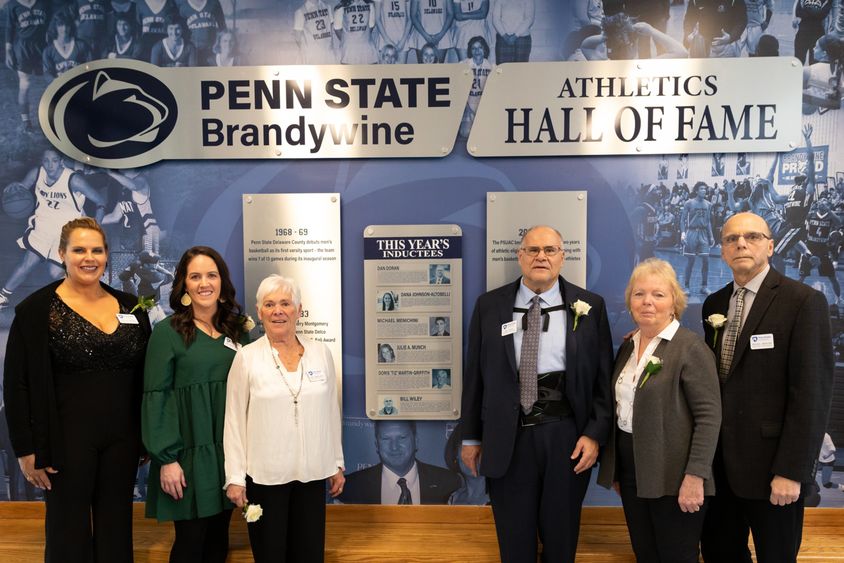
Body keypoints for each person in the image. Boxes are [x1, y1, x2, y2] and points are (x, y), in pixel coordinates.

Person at [461, 225, 613, 562]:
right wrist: (471, 437)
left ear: (562, 256)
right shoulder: (490, 305)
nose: (540, 256)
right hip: (507, 437)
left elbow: (603, 379)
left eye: (549, 250)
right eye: (532, 250)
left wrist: (594, 434)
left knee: (561, 537)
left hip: (567, 436)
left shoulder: (590, 306)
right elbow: (475, 375)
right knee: (515, 540)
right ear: (519, 256)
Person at [3, 217, 151, 562]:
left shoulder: (132, 306)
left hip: (123, 439)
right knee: (67, 531)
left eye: (97, 250)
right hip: (64, 441)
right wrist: (26, 450)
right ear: (61, 254)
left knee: (116, 529)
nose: (89, 258)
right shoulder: (35, 310)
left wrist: (146, 435)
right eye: (79, 249)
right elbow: (16, 384)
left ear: (106, 254)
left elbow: (146, 376)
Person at [700, 212, 834, 562]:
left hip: (774, 471)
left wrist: (792, 470)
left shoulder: (802, 302)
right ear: (723, 250)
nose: (741, 243)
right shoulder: (714, 304)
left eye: (752, 236)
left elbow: (812, 395)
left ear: (771, 246)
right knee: (719, 553)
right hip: (719, 470)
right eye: (731, 239)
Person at [597, 258, 721, 563]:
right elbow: (621, 408)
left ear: (674, 303)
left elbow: (709, 418)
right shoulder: (628, 346)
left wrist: (695, 478)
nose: (647, 302)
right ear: (630, 301)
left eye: (658, 294)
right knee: (646, 553)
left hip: (675, 476)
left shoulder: (690, 347)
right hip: (632, 470)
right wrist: (615, 467)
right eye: (639, 294)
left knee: (676, 556)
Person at [224, 274, 344, 563]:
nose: (278, 310)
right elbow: (234, 421)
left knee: (309, 554)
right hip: (265, 478)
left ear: (298, 310)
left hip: (312, 474)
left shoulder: (320, 352)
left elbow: (331, 412)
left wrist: (336, 463)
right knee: (270, 554)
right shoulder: (247, 357)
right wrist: (235, 478)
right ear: (259, 312)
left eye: (285, 303)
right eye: (270, 304)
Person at [142, 246, 250, 563]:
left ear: (222, 282)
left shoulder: (239, 330)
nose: (205, 283)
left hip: (228, 454)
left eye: (211, 275)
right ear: (184, 285)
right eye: (195, 276)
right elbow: (156, 396)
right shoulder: (167, 333)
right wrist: (167, 459)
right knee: (191, 543)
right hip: (186, 457)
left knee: (218, 540)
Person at [0, 149, 105, 309]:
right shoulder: (37, 173)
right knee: (27, 263)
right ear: (42, 161)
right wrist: (13, 188)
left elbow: (100, 201)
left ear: (61, 161)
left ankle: (79, 300)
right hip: (43, 225)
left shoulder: (74, 180)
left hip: (67, 231)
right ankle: (3, 297)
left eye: (54, 161)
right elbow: (20, 189)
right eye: (46, 161)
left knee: (54, 273)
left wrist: (96, 226)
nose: (50, 165)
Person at [338, 420, 460, 504]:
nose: (394, 447)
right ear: (376, 445)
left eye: (402, 438)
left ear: (416, 442)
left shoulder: (449, 483)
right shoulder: (351, 487)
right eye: (386, 439)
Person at [4, 0, 48, 132]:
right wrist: (8, 51)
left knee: (49, 82)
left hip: (43, 47)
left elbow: (52, 21)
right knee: (25, 84)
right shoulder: (12, 5)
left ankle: (51, 118)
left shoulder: (44, 3)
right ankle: (26, 121)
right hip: (23, 48)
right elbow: (9, 28)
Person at [681, 182, 715, 295]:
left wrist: (711, 236)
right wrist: (683, 234)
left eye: (705, 189)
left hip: (703, 233)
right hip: (691, 232)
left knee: (706, 260)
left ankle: (704, 287)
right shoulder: (689, 203)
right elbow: (682, 220)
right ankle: (686, 287)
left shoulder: (708, 204)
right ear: (696, 191)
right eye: (701, 189)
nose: (704, 191)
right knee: (691, 260)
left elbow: (708, 221)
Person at [444, 423, 489, 505]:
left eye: (480, 446)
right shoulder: (453, 499)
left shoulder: (501, 499)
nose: (473, 454)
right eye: (467, 447)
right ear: (455, 454)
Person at [42, 11, 92, 78]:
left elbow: (90, 65)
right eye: (60, 25)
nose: (64, 28)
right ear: (55, 27)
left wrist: (84, 75)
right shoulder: (48, 51)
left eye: (67, 25)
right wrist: (57, 83)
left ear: (71, 26)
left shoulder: (82, 45)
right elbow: (48, 73)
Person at [177, 0, 226, 65]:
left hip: (211, 50)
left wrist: (219, 45)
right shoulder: (183, 6)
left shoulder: (214, 3)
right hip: (193, 52)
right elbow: (180, 33)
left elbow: (223, 28)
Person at [333, 0, 379, 64]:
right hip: (349, 49)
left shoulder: (370, 4)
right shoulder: (340, 7)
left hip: (366, 48)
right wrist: (349, 39)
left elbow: (371, 26)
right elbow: (337, 28)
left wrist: (361, 37)